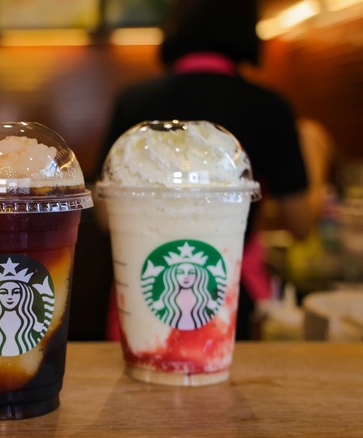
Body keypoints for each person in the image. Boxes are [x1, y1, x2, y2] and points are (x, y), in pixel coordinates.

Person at [98, 0, 316, 340]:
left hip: (141, 296)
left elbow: (106, 216)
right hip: (231, 297)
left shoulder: (134, 101)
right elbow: (301, 223)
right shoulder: (269, 107)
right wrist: (317, 153)